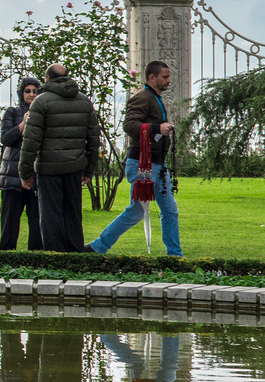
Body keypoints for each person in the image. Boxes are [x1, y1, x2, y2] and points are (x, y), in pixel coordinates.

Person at [93, 59, 182, 257]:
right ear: (152, 77)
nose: (169, 81)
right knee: (137, 212)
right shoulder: (143, 97)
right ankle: (98, 246)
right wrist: (157, 128)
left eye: (169, 77)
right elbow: (129, 125)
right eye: (164, 77)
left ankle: (174, 255)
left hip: (156, 164)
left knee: (169, 210)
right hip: (144, 164)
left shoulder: (154, 97)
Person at [19, 61, 100, 253]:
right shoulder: (84, 101)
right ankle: (75, 255)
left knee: (50, 215)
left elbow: (31, 141)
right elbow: (93, 139)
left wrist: (25, 172)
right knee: (73, 213)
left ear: (47, 79)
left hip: (49, 168)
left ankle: (54, 257)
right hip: (75, 167)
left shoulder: (41, 101)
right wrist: (89, 169)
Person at [0, 77, 43, 251]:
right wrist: (22, 126)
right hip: (13, 176)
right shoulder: (12, 112)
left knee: (37, 223)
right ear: (21, 93)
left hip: (35, 175)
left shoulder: (43, 113)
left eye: (34, 91)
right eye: (27, 91)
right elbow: (6, 139)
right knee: (10, 221)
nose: (31, 94)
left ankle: (35, 257)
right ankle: (6, 256)